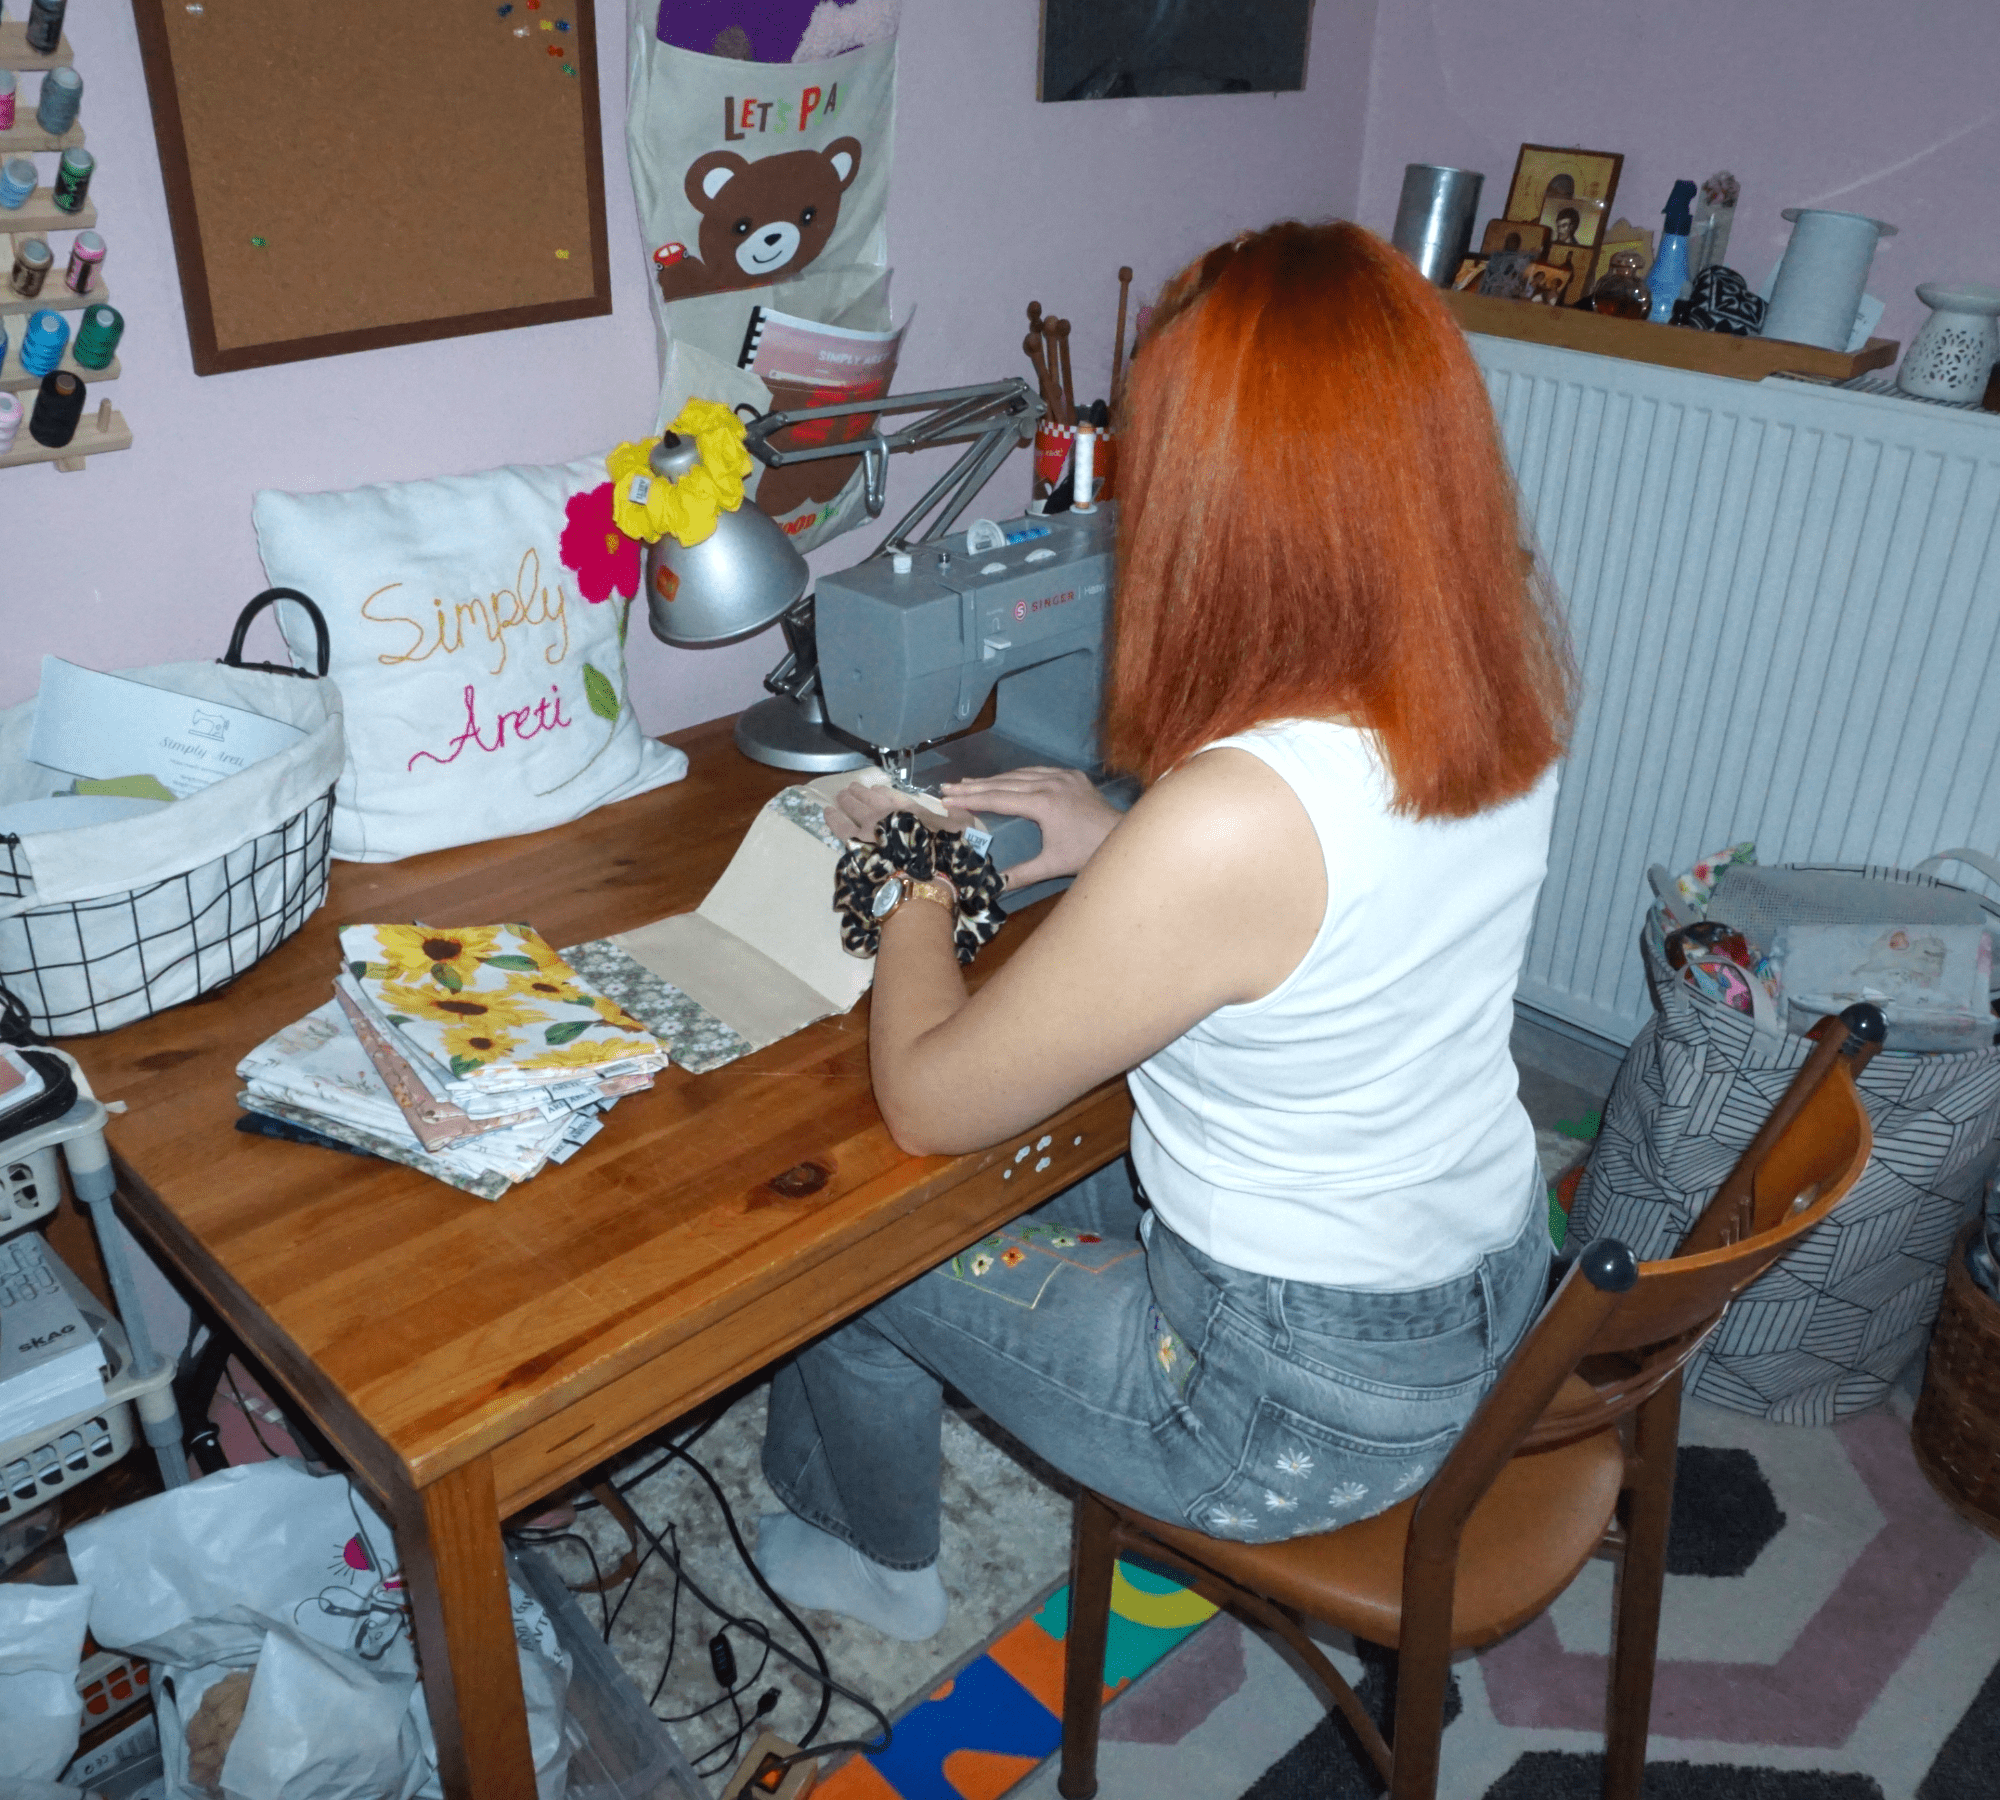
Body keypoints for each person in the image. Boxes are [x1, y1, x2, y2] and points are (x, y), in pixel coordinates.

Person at [754, 219, 1573, 1643]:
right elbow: (1342, 901)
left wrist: (910, 871)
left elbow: (931, 1099)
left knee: (841, 1260)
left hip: (1285, 1405)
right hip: (1488, 1273)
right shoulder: (1493, 685)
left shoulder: (1237, 815)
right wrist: (1127, 839)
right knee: (1018, 1173)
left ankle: (869, 1558)